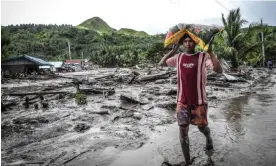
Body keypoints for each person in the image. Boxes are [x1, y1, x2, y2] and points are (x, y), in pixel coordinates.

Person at [158, 34, 222, 165]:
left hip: (199, 102)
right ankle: (187, 162)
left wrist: (210, 51)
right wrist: (172, 51)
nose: (188, 44)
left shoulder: (203, 57)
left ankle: (208, 137)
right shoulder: (178, 57)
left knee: (202, 127)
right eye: (185, 41)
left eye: (191, 41)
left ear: (196, 42)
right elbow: (161, 64)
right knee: (182, 131)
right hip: (182, 101)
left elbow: (218, 70)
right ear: (182, 44)